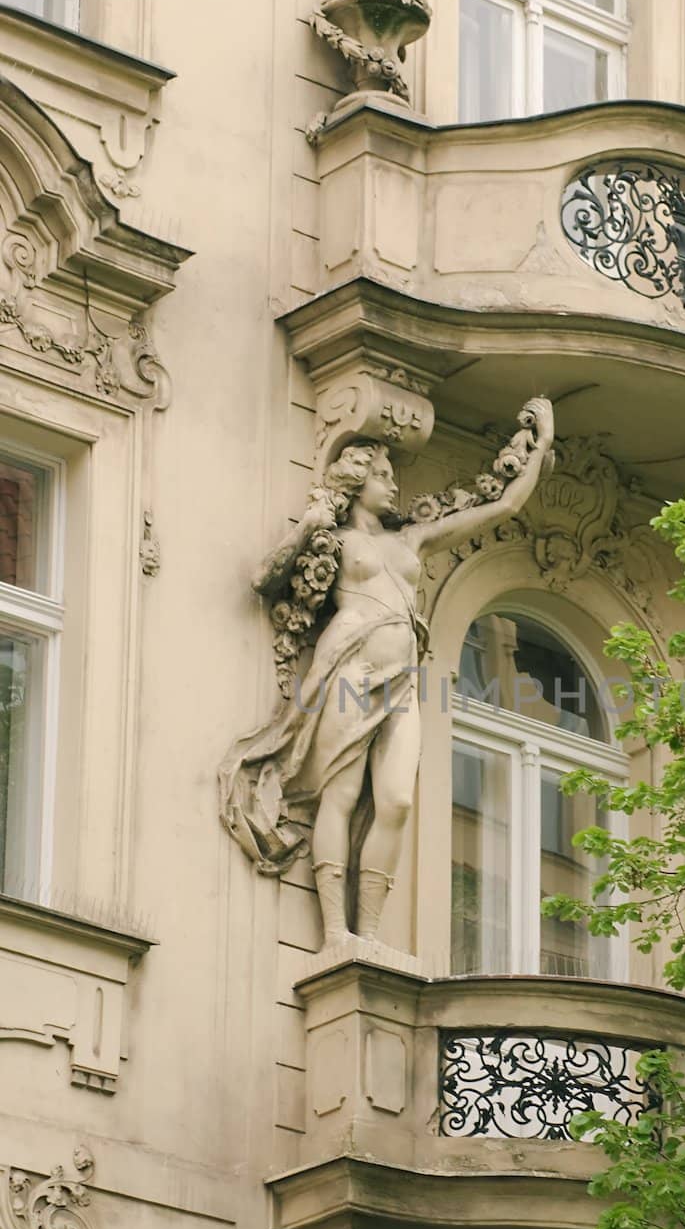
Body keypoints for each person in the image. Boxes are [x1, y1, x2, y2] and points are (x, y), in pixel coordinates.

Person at [219, 396, 555, 945]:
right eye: (380, 474)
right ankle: (337, 934)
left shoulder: (411, 538)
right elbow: (266, 578)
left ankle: (369, 931)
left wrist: (538, 445)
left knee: (396, 800)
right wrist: (307, 526)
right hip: (349, 670)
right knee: (342, 795)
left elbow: (504, 507)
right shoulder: (336, 539)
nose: (391, 485)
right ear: (356, 481)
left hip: (403, 681)